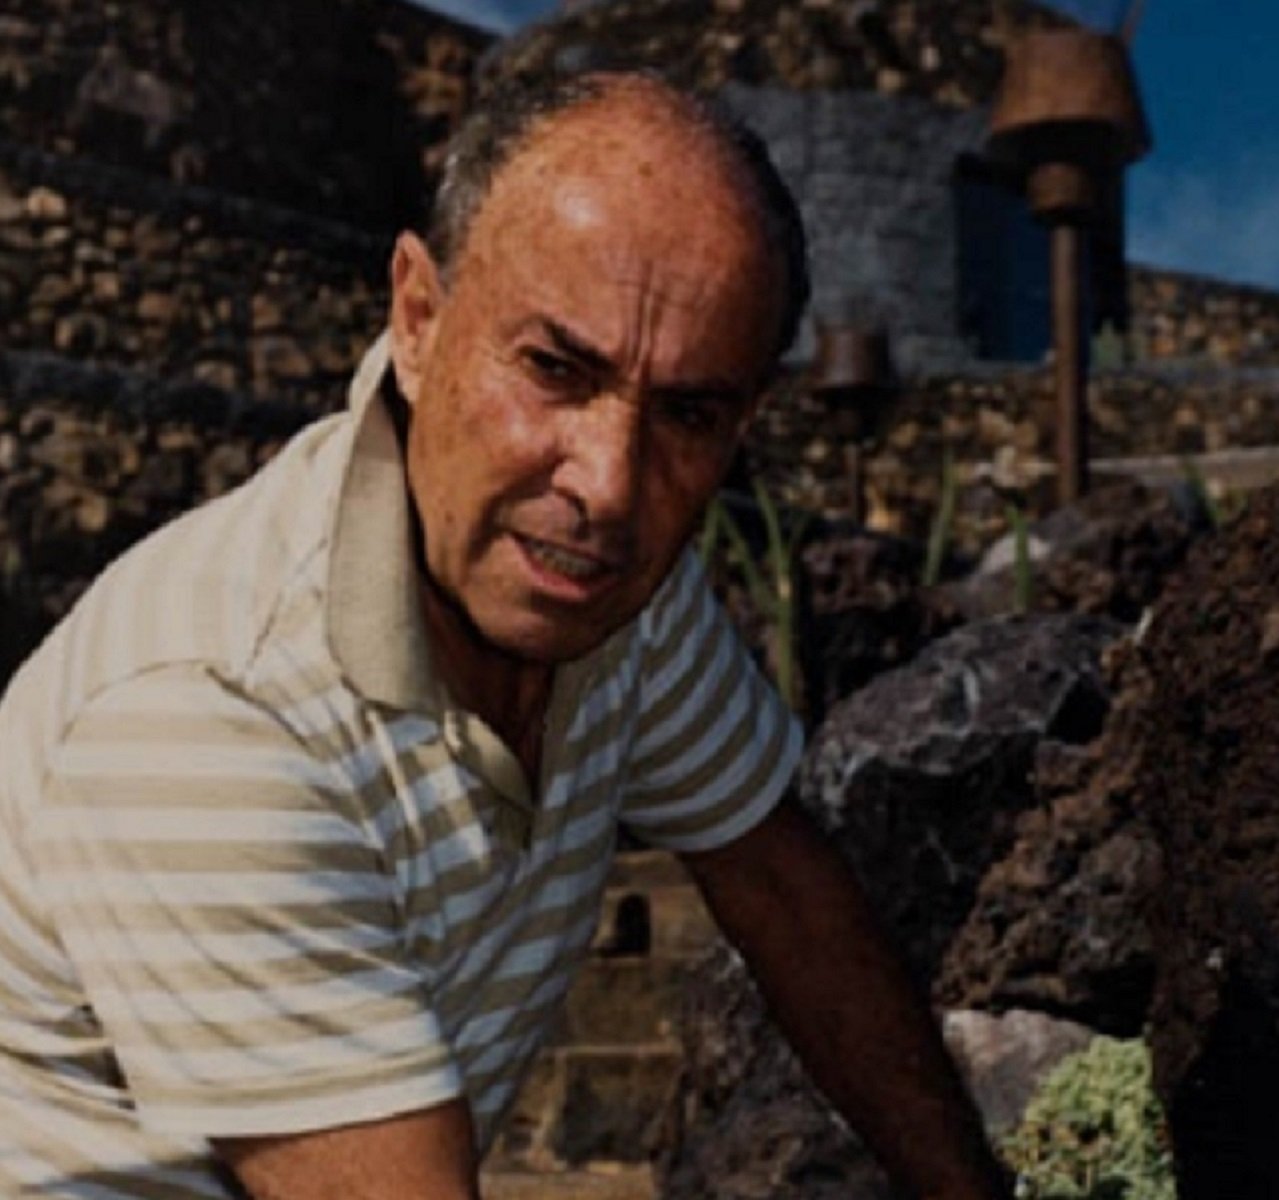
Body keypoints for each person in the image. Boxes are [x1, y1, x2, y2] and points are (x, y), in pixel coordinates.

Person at [0, 73, 1008, 1199]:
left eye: (687, 413)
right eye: (555, 370)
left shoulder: (610, 591)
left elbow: (786, 893)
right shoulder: (208, 714)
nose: (609, 484)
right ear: (419, 322)